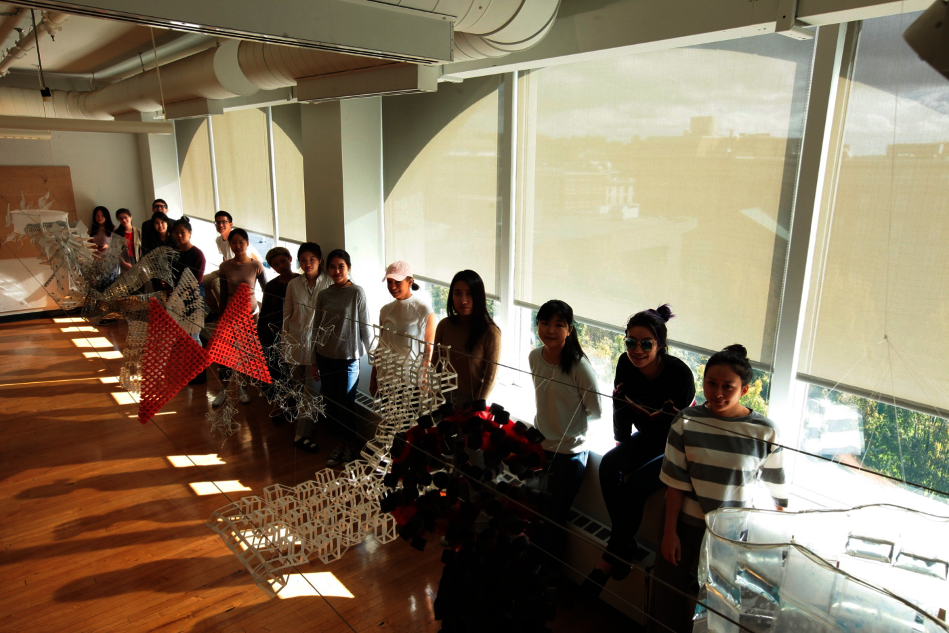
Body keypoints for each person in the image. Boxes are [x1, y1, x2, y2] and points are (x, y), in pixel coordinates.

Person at [648, 344, 787, 633]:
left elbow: (776, 488)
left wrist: (780, 540)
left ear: (745, 390)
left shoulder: (763, 431)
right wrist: (669, 533)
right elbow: (674, 486)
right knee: (667, 594)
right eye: (711, 383)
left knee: (721, 602)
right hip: (684, 524)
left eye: (728, 386)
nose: (718, 393)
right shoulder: (686, 421)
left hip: (730, 533)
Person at [584, 305, 695, 594]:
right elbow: (619, 403)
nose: (637, 350)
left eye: (646, 343)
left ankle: (609, 559)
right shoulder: (624, 363)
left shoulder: (679, 374)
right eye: (630, 342)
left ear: (660, 344)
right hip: (645, 437)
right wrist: (621, 440)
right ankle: (625, 544)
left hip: (675, 449)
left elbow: (681, 431)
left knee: (635, 489)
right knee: (609, 465)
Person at [528, 299, 602, 565]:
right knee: (536, 511)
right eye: (545, 322)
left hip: (570, 455)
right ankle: (532, 568)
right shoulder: (534, 357)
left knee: (554, 518)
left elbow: (597, 411)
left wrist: (569, 426)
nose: (550, 329)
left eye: (559, 324)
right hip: (539, 447)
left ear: (570, 330)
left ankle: (549, 577)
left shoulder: (579, 366)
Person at [313, 249, 371, 467]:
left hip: (348, 360)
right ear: (327, 269)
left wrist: (373, 356)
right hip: (324, 357)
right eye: (332, 267)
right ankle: (338, 445)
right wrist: (313, 360)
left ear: (348, 268)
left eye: (341, 266)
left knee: (346, 404)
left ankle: (349, 446)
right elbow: (315, 328)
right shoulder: (324, 295)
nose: (336, 271)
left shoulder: (357, 292)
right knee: (331, 404)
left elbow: (365, 325)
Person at [282, 242, 332, 451]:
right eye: (303, 260)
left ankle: (300, 436)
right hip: (294, 344)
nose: (307, 263)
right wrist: (284, 343)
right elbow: (287, 314)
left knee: (311, 391)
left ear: (320, 260)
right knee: (299, 389)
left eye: (312, 259)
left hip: (317, 350)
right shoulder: (293, 285)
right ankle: (306, 427)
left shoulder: (330, 284)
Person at [212, 228, 267, 408]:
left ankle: (242, 387)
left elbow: (267, 290)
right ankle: (225, 389)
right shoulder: (225, 266)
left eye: (241, 242)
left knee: (245, 353)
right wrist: (221, 318)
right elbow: (223, 294)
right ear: (230, 244)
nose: (237, 246)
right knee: (225, 355)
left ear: (247, 243)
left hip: (251, 316)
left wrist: (265, 313)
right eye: (234, 243)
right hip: (229, 316)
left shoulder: (256, 265)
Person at [432, 270, 501, 404]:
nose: (463, 300)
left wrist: (476, 406)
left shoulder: (491, 332)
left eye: (470, 294)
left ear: (479, 296)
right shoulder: (444, 325)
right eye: (457, 293)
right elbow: (435, 366)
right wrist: (435, 396)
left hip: (471, 400)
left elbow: (490, 377)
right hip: (442, 398)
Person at [370, 261, 436, 396]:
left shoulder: (424, 311)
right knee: (388, 417)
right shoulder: (385, 310)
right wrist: (373, 378)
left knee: (412, 417)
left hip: (411, 382)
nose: (392, 286)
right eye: (389, 282)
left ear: (410, 281)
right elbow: (380, 347)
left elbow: (429, 350)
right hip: (386, 380)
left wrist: (424, 379)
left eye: (397, 282)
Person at [257, 246, 298, 423]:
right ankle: (285, 409)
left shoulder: (300, 281)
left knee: (295, 375)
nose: (281, 266)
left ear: (290, 258)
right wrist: (262, 337)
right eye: (275, 264)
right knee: (279, 375)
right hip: (274, 337)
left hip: (295, 336)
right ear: (272, 267)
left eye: (283, 261)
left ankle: (298, 409)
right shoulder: (272, 285)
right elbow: (265, 312)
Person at [204, 210, 262, 316]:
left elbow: (254, 258)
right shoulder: (218, 240)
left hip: (240, 271)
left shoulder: (238, 239)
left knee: (216, 283)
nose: (220, 225)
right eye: (217, 222)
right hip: (226, 268)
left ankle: (227, 311)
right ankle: (215, 311)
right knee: (202, 281)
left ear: (231, 224)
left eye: (223, 222)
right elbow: (224, 256)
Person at [170, 217, 206, 285]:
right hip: (175, 289)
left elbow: (197, 281)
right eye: (176, 232)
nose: (179, 235)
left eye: (182, 232)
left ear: (190, 232)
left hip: (193, 291)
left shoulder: (198, 254)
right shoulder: (173, 251)